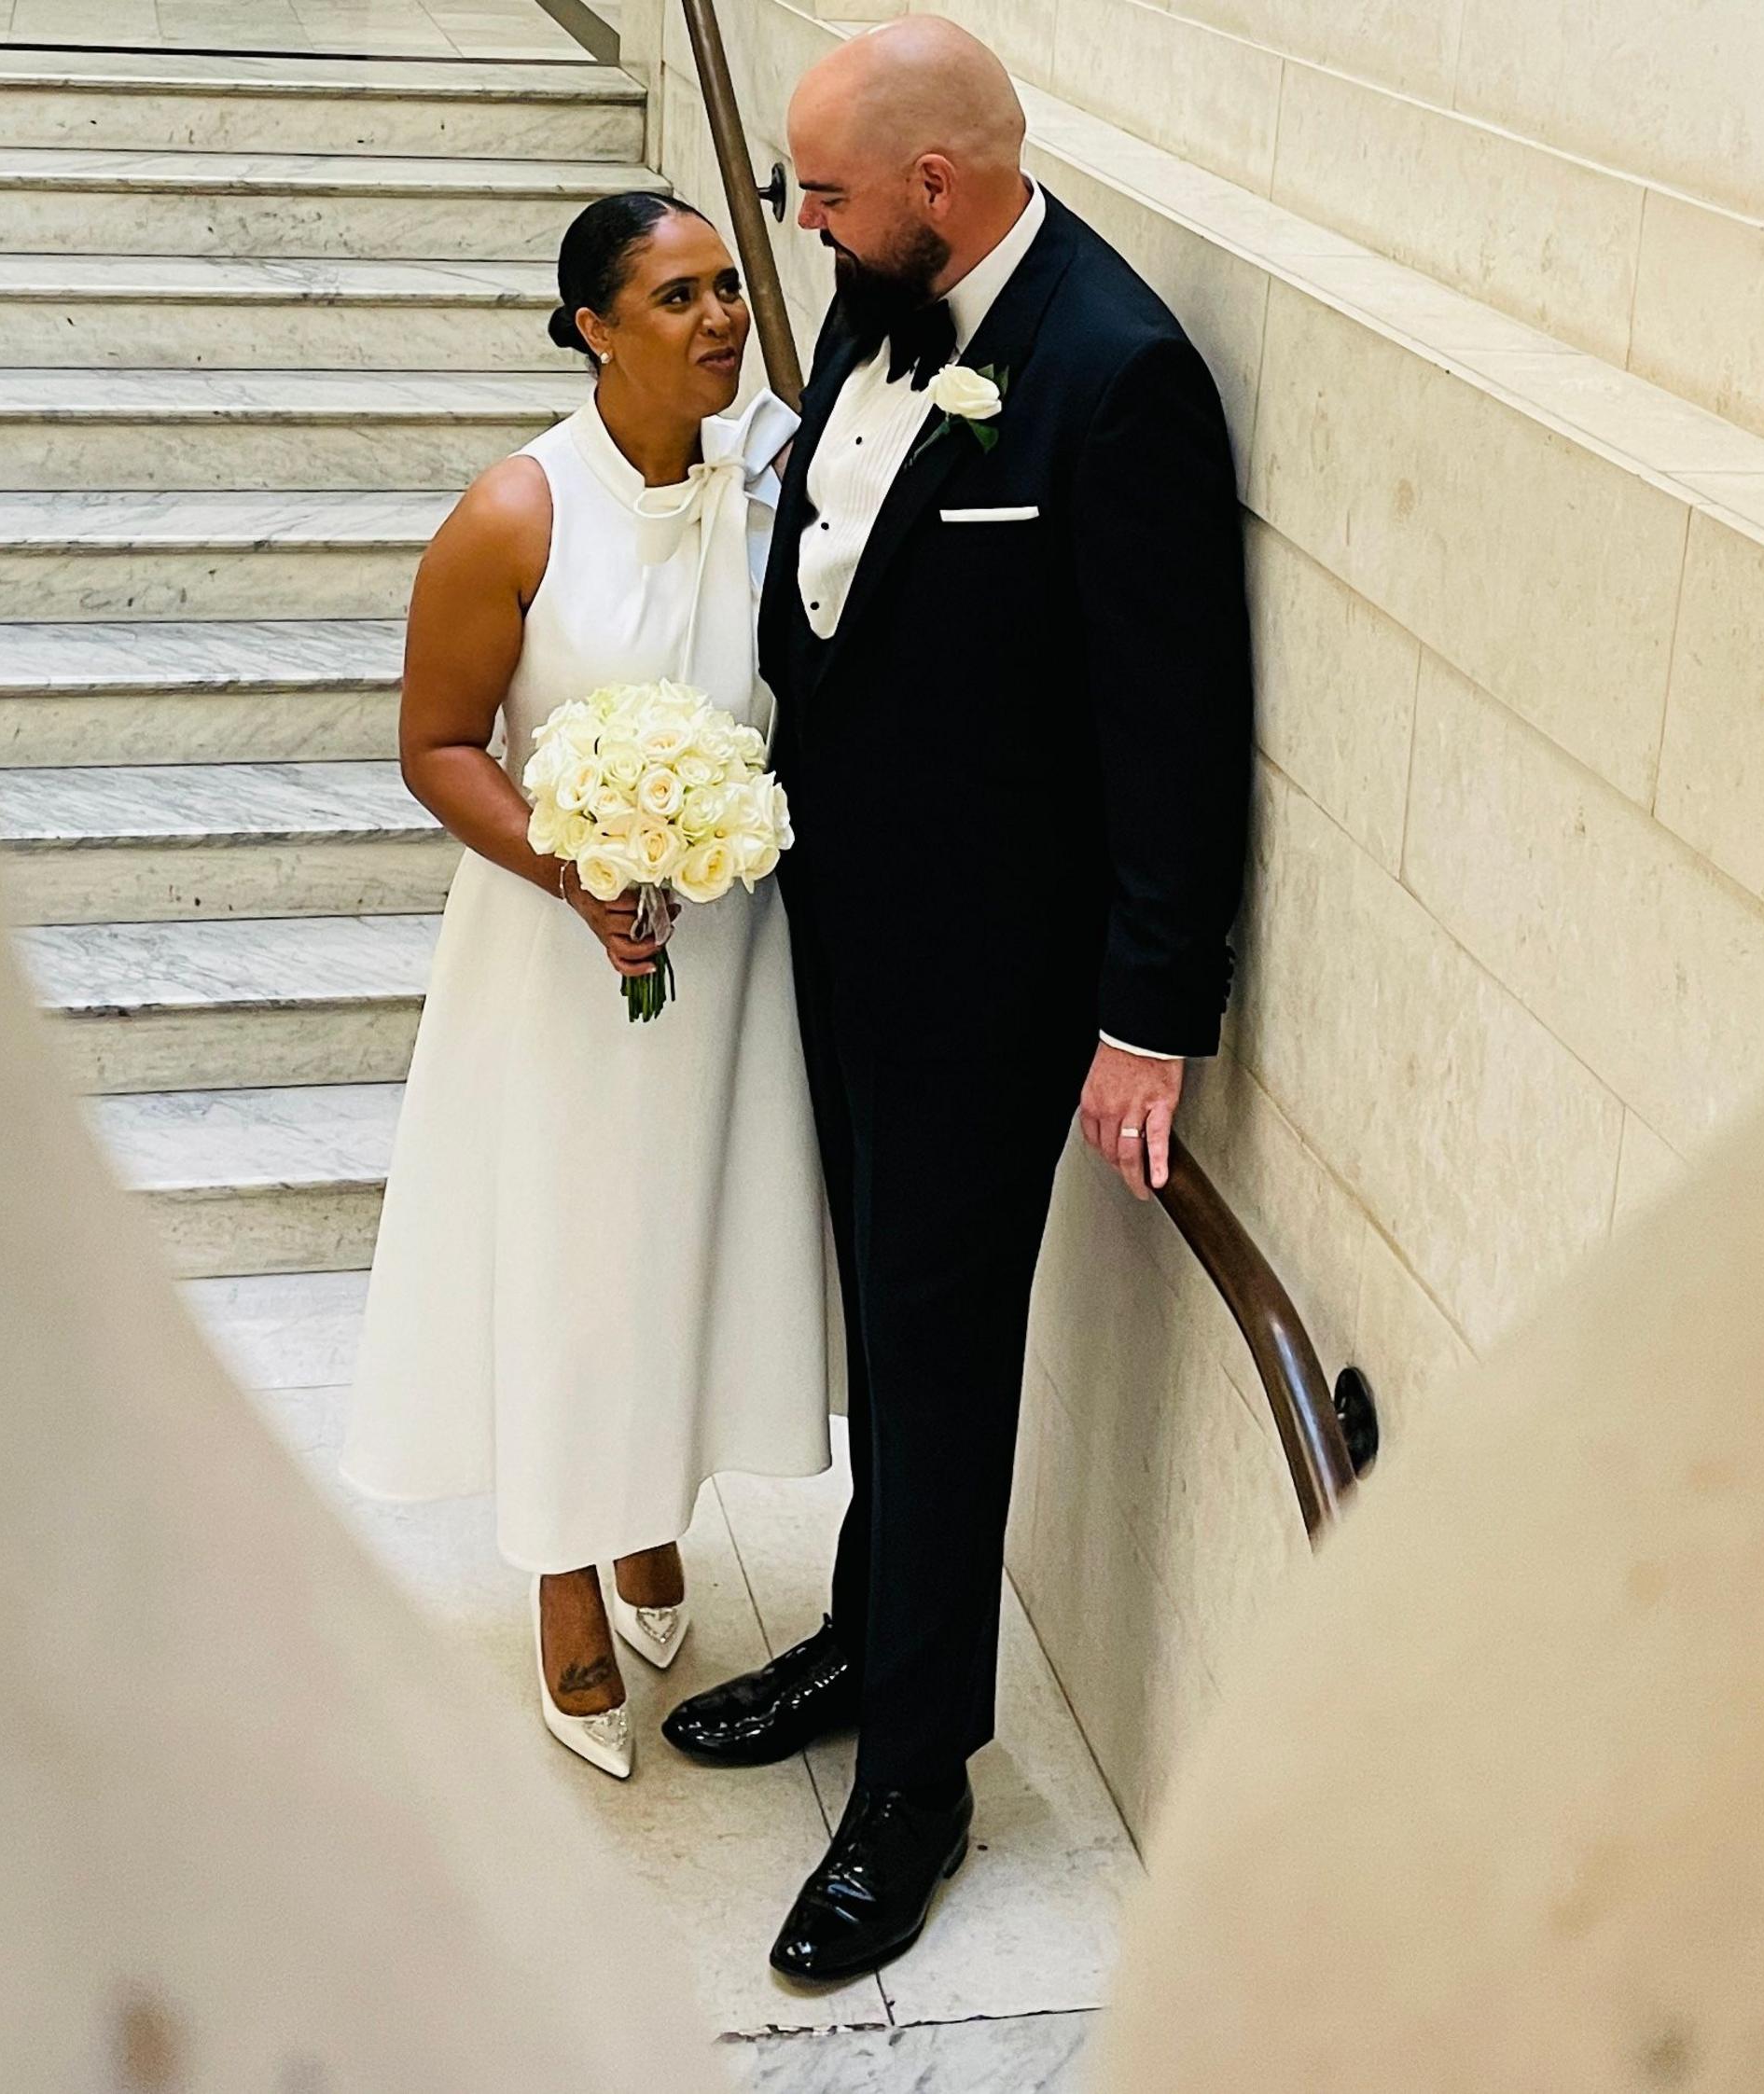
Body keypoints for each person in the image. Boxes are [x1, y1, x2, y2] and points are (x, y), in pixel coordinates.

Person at [660, 17, 1256, 1982]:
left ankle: (920, 1782)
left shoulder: (1122, 375)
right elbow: (834, 568)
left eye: (822, 194)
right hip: (838, 923)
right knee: (884, 1329)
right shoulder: (875, 289)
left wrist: (1149, 1011)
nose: (796, 229)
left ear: (942, 184)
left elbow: (1176, 734)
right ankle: (868, 1625)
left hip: (995, 987)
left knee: (942, 1352)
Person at [344, 193, 832, 1782]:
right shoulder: (515, 513)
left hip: (728, 961)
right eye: (679, 296)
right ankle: (563, 1568)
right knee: (567, 1255)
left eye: (727, 291)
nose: (720, 319)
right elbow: (435, 744)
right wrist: (579, 876)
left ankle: (649, 1520)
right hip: (561, 966)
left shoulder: (774, 488)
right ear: (593, 328)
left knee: (684, 1238)